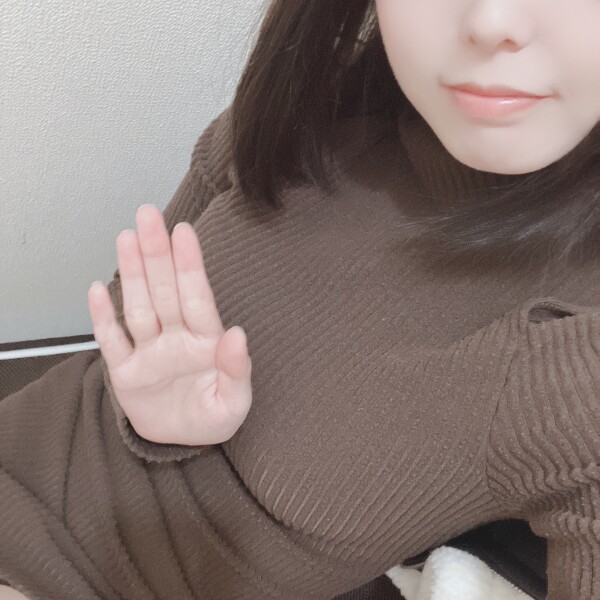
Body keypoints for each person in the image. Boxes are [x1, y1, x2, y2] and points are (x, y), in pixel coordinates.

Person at [1, 0, 600, 598]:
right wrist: (148, 403)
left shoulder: (575, 347)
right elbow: (133, 301)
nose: (491, 21)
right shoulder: (317, 103)